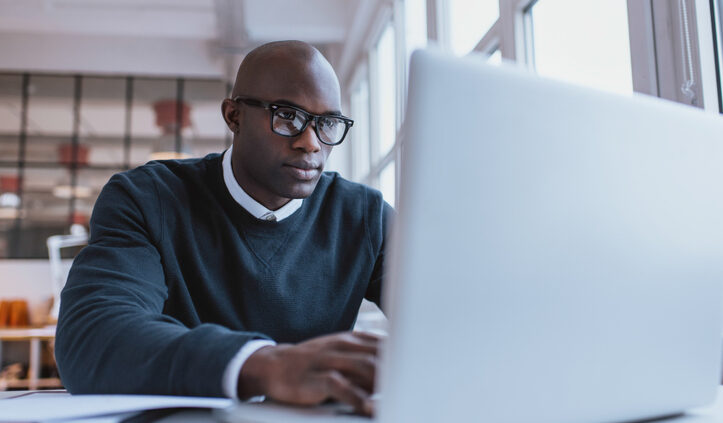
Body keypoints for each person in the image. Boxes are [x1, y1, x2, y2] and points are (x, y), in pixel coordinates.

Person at [55, 40, 393, 416]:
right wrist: (265, 365)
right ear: (233, 117)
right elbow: (92, 338)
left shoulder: (365, 216)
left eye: (327, 123)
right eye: (287, 117)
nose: (311, 143)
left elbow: (452, 319)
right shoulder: (148, 199)